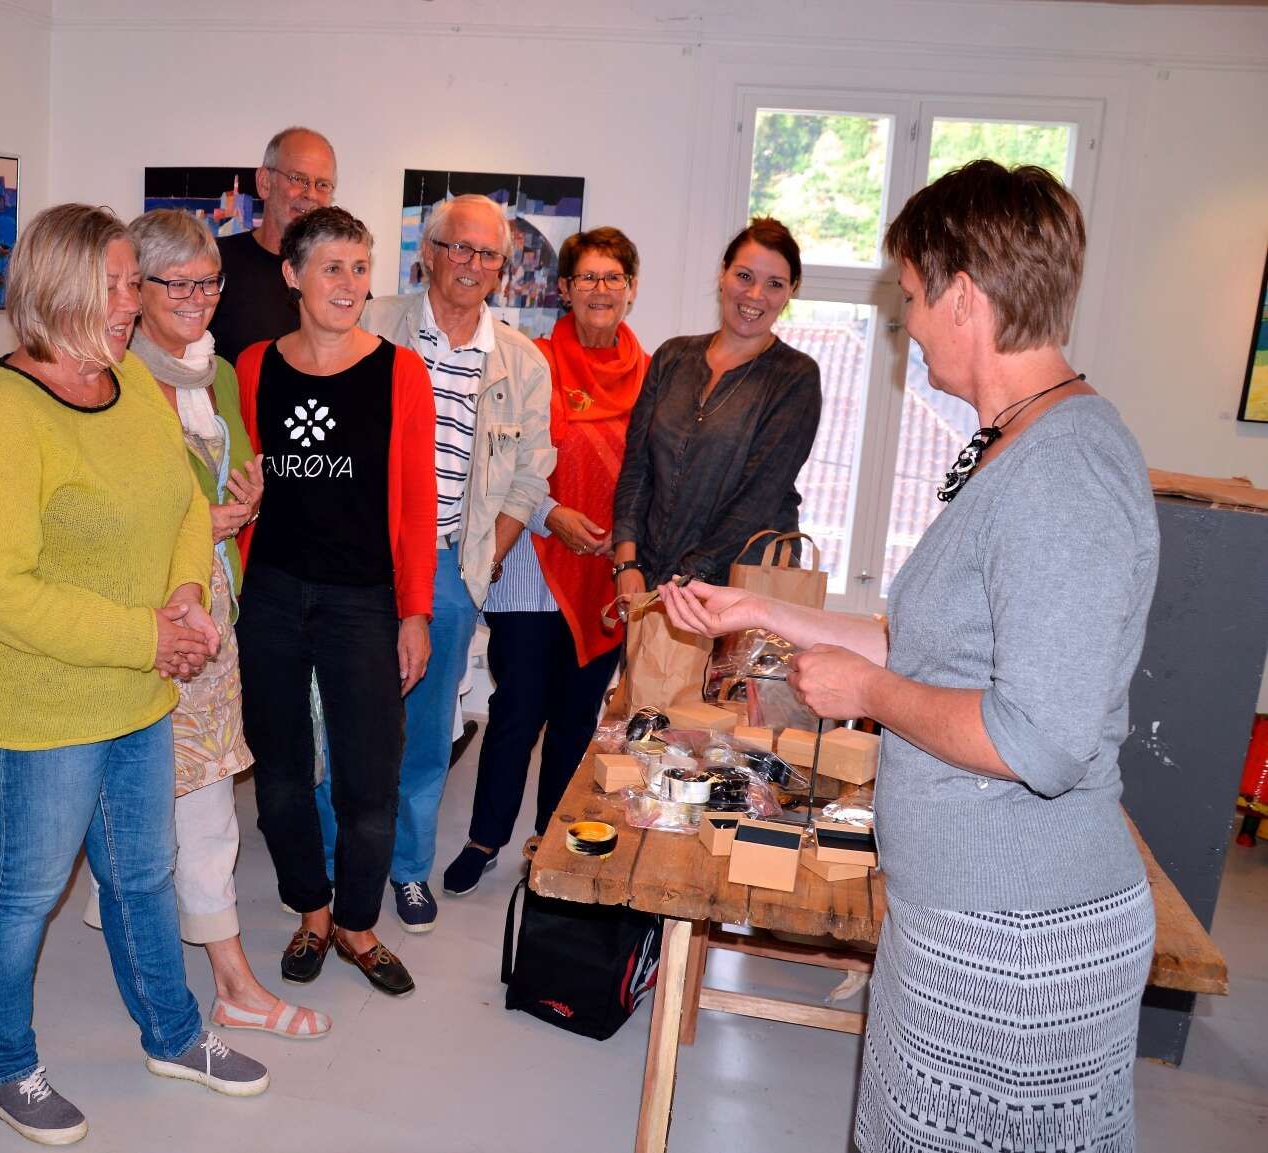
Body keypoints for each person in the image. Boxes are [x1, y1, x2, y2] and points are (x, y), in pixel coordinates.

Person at [661, 161, 1159, 1153]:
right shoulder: (1020, 443)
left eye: (916, 297)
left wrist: (872, 693)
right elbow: (938, 647)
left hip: (1018, 936)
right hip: (967, 915)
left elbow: (1040, 738)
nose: (911, 324)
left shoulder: (1063, 469)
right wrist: (763, 610)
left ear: (966, 297)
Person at [0, 203, 269, 1147]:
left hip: (136, 694)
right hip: (39, 708)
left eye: (131, 283)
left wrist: (187, 597)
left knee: (143, 875)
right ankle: (3, 1064)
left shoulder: (126, 383)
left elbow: (182, 504)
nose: (132, 304)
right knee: (23, 891)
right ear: (56, 290)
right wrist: (146, 635)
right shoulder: (1, 416)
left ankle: (173, 1034)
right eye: (115, 285)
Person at [78, 208, 328, 1040]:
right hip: (148, 613)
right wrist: (197, 523)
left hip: (213, 603)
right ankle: (229, 980)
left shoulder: (212, 370)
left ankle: (168, 944)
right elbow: (104, 512)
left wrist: (245, 498)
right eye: (176, 284)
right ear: (132, 288)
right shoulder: (110, 380)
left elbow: (233, 464)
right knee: (184, 796)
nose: (198, 298)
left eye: (209, 282)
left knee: (188, 790)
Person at [234, 206, 436, 996]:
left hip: (363, 601)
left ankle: (356, 922)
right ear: (293, 275)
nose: (350, 284)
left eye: (360, 267)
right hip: (273, 596)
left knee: (368, 778)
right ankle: (311, 911)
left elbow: (416, 503)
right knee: (281, 774)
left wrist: (414, 611)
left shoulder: (399, 372)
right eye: (332, 267)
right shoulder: (254, 366)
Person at [348, 194, 556, 930]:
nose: (471, 264)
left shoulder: (523, 362)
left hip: (448, 569)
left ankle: (407, 869)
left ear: (502, 268)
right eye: (458, 247)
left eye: (487, 253)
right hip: (357, 561)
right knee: (340, 721)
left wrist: (486, 561)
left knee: (427, 732)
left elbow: (530, 477)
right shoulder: (374, 325)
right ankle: (340, 870)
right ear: (429, 254)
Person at [441, 227, 650, 894]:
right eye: (587, 277)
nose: (600, 289)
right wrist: (552, 513)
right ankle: (484, 838)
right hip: (532, 561)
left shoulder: (651, 376)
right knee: (516, 710)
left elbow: (653, 474)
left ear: (631, 289)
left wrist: (625, 540)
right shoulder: (531, 361)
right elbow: (504, 459)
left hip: (608, 573)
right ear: (564, 288)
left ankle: (550, 842)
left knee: (576, 720)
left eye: (613, 277)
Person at [611, 217, 822, 600]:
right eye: (745, 276)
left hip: (738, 590)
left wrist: (686, 578)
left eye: (774, 284)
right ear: (723, 274)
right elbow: (638, 467)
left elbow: (759, 496)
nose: (755, 294)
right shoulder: (673, 357)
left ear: (791, 291)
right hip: (652, 579)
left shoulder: (795, 377)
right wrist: (626, 562)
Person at [207, 126, 338, 362]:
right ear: (264, 182)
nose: (311, 194)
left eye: (322, 184)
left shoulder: (342, 276)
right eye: (298, 179)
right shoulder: (213, 263)